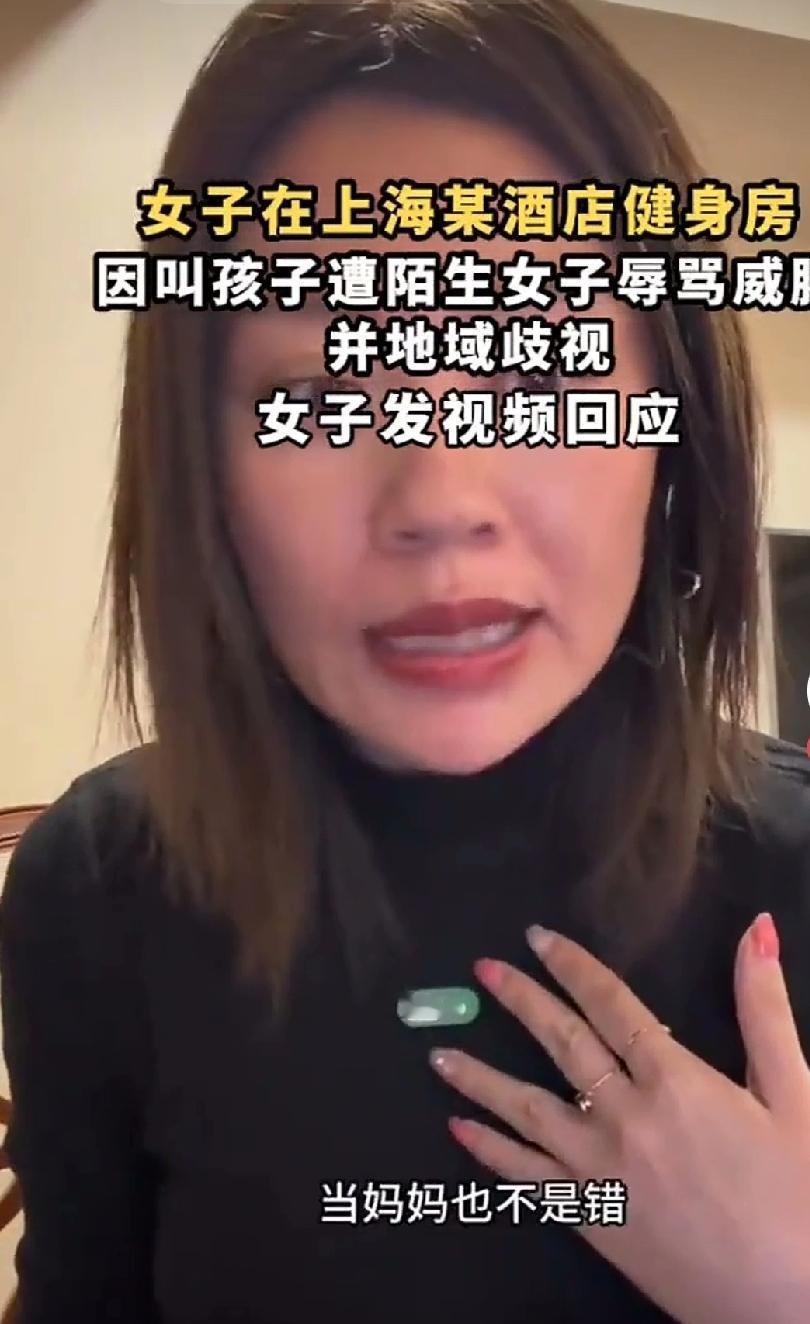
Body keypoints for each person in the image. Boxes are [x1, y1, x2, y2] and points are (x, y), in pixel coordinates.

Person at [2, 1, 809, 1321]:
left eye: (535, 380)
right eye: (316, 399)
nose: (438, 500)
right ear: (199, 464)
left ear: (675, 426)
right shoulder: (100, 885)